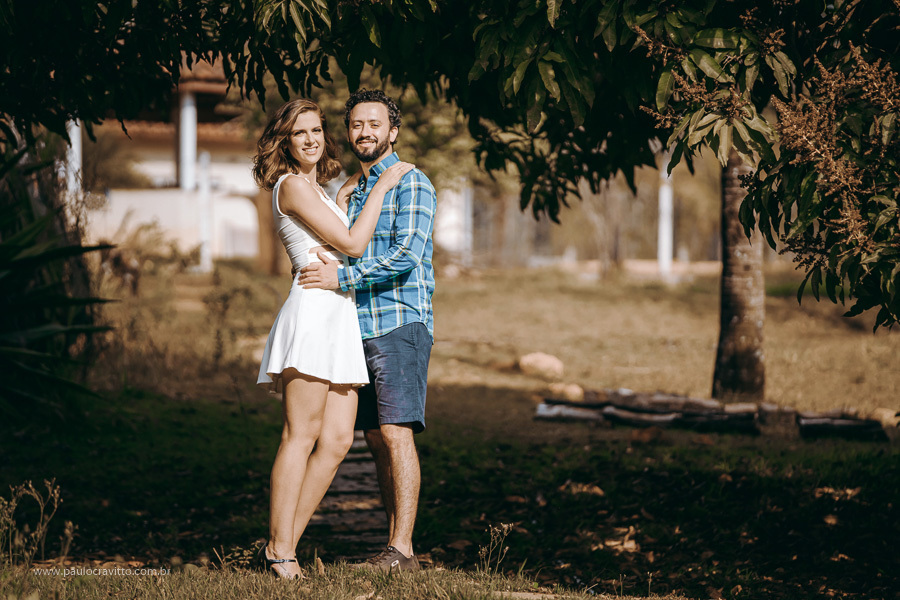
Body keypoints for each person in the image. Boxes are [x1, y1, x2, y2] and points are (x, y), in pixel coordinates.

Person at [251, 98, 413, 579]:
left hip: (339, 314)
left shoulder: (318, 189)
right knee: (300, 436)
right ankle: (281, 552)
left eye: (317, 130)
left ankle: (281, 545)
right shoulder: (291, 187)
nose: (311, 140)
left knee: (339, 439)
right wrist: (382, 184)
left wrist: (345, 198)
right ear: (285, 140)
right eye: (300, 133)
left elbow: (339, 229)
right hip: (313, 312)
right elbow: (353, 245)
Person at [299, 89, 436, 573]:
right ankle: (394, 548)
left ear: (392, 131)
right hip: (356, 328)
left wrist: (343, 278)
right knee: (376, 438)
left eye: (375, 124)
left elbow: (405, 257)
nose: (365, 132)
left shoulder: (412, 183)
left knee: (397, 433)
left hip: (400, 322)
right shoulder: (352, 192)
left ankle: (401, 550)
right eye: (357, 125)